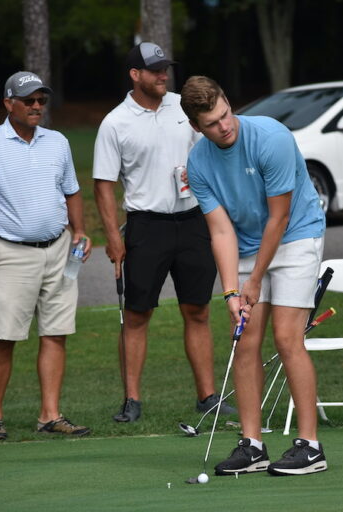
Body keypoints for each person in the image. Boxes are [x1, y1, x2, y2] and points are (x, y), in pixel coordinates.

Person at [180, 75, 328, 476]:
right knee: (245, 341)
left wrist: (254, 280)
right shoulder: (198, 164)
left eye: (225, 114)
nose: (223, 126)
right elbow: (221, 231)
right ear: (197, 127)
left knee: (286, 336)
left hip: (297, 235)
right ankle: (252, 446)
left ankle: (311, 446)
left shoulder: (272, 138)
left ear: (229, 102)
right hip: (246, 243)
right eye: (211, 123)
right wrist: (231, 291)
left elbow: (278, 218)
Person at [93, 42, 235, 423]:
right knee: (137, 314)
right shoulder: (116, 122)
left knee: (198, 310)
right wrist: (113, 238)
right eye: (155, 70)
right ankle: (131, 400)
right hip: (146, 225)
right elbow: (104, 185)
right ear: (135, 75)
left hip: (193, 221)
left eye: (165, 68)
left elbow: (215, 150)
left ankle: (207, 397)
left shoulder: (183, 107)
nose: (163, 75)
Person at [0, 71, 93, 441]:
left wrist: (79, 230)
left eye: (41, 101)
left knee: (56, 332)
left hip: (59, 250)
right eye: (29, 100)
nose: (36, 107)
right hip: (11, 252)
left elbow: (72, 191)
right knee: (3, 336)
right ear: (8, 103)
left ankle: (50, 414)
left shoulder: (58, 142)